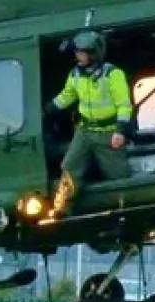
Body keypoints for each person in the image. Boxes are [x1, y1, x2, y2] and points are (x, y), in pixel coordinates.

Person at [43, 30, 133, 218]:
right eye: (77, 53)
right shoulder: (75, 74)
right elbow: (67, 96)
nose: (78, 56)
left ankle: (125, 209)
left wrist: (120, 130)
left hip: (108, 132)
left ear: (93, 53)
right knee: (69, 167)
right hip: (84, 131)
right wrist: (48, 109)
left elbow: (124, 105)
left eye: (82, 52)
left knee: (118, 174)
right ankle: (62, 209)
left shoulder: (112, 74)